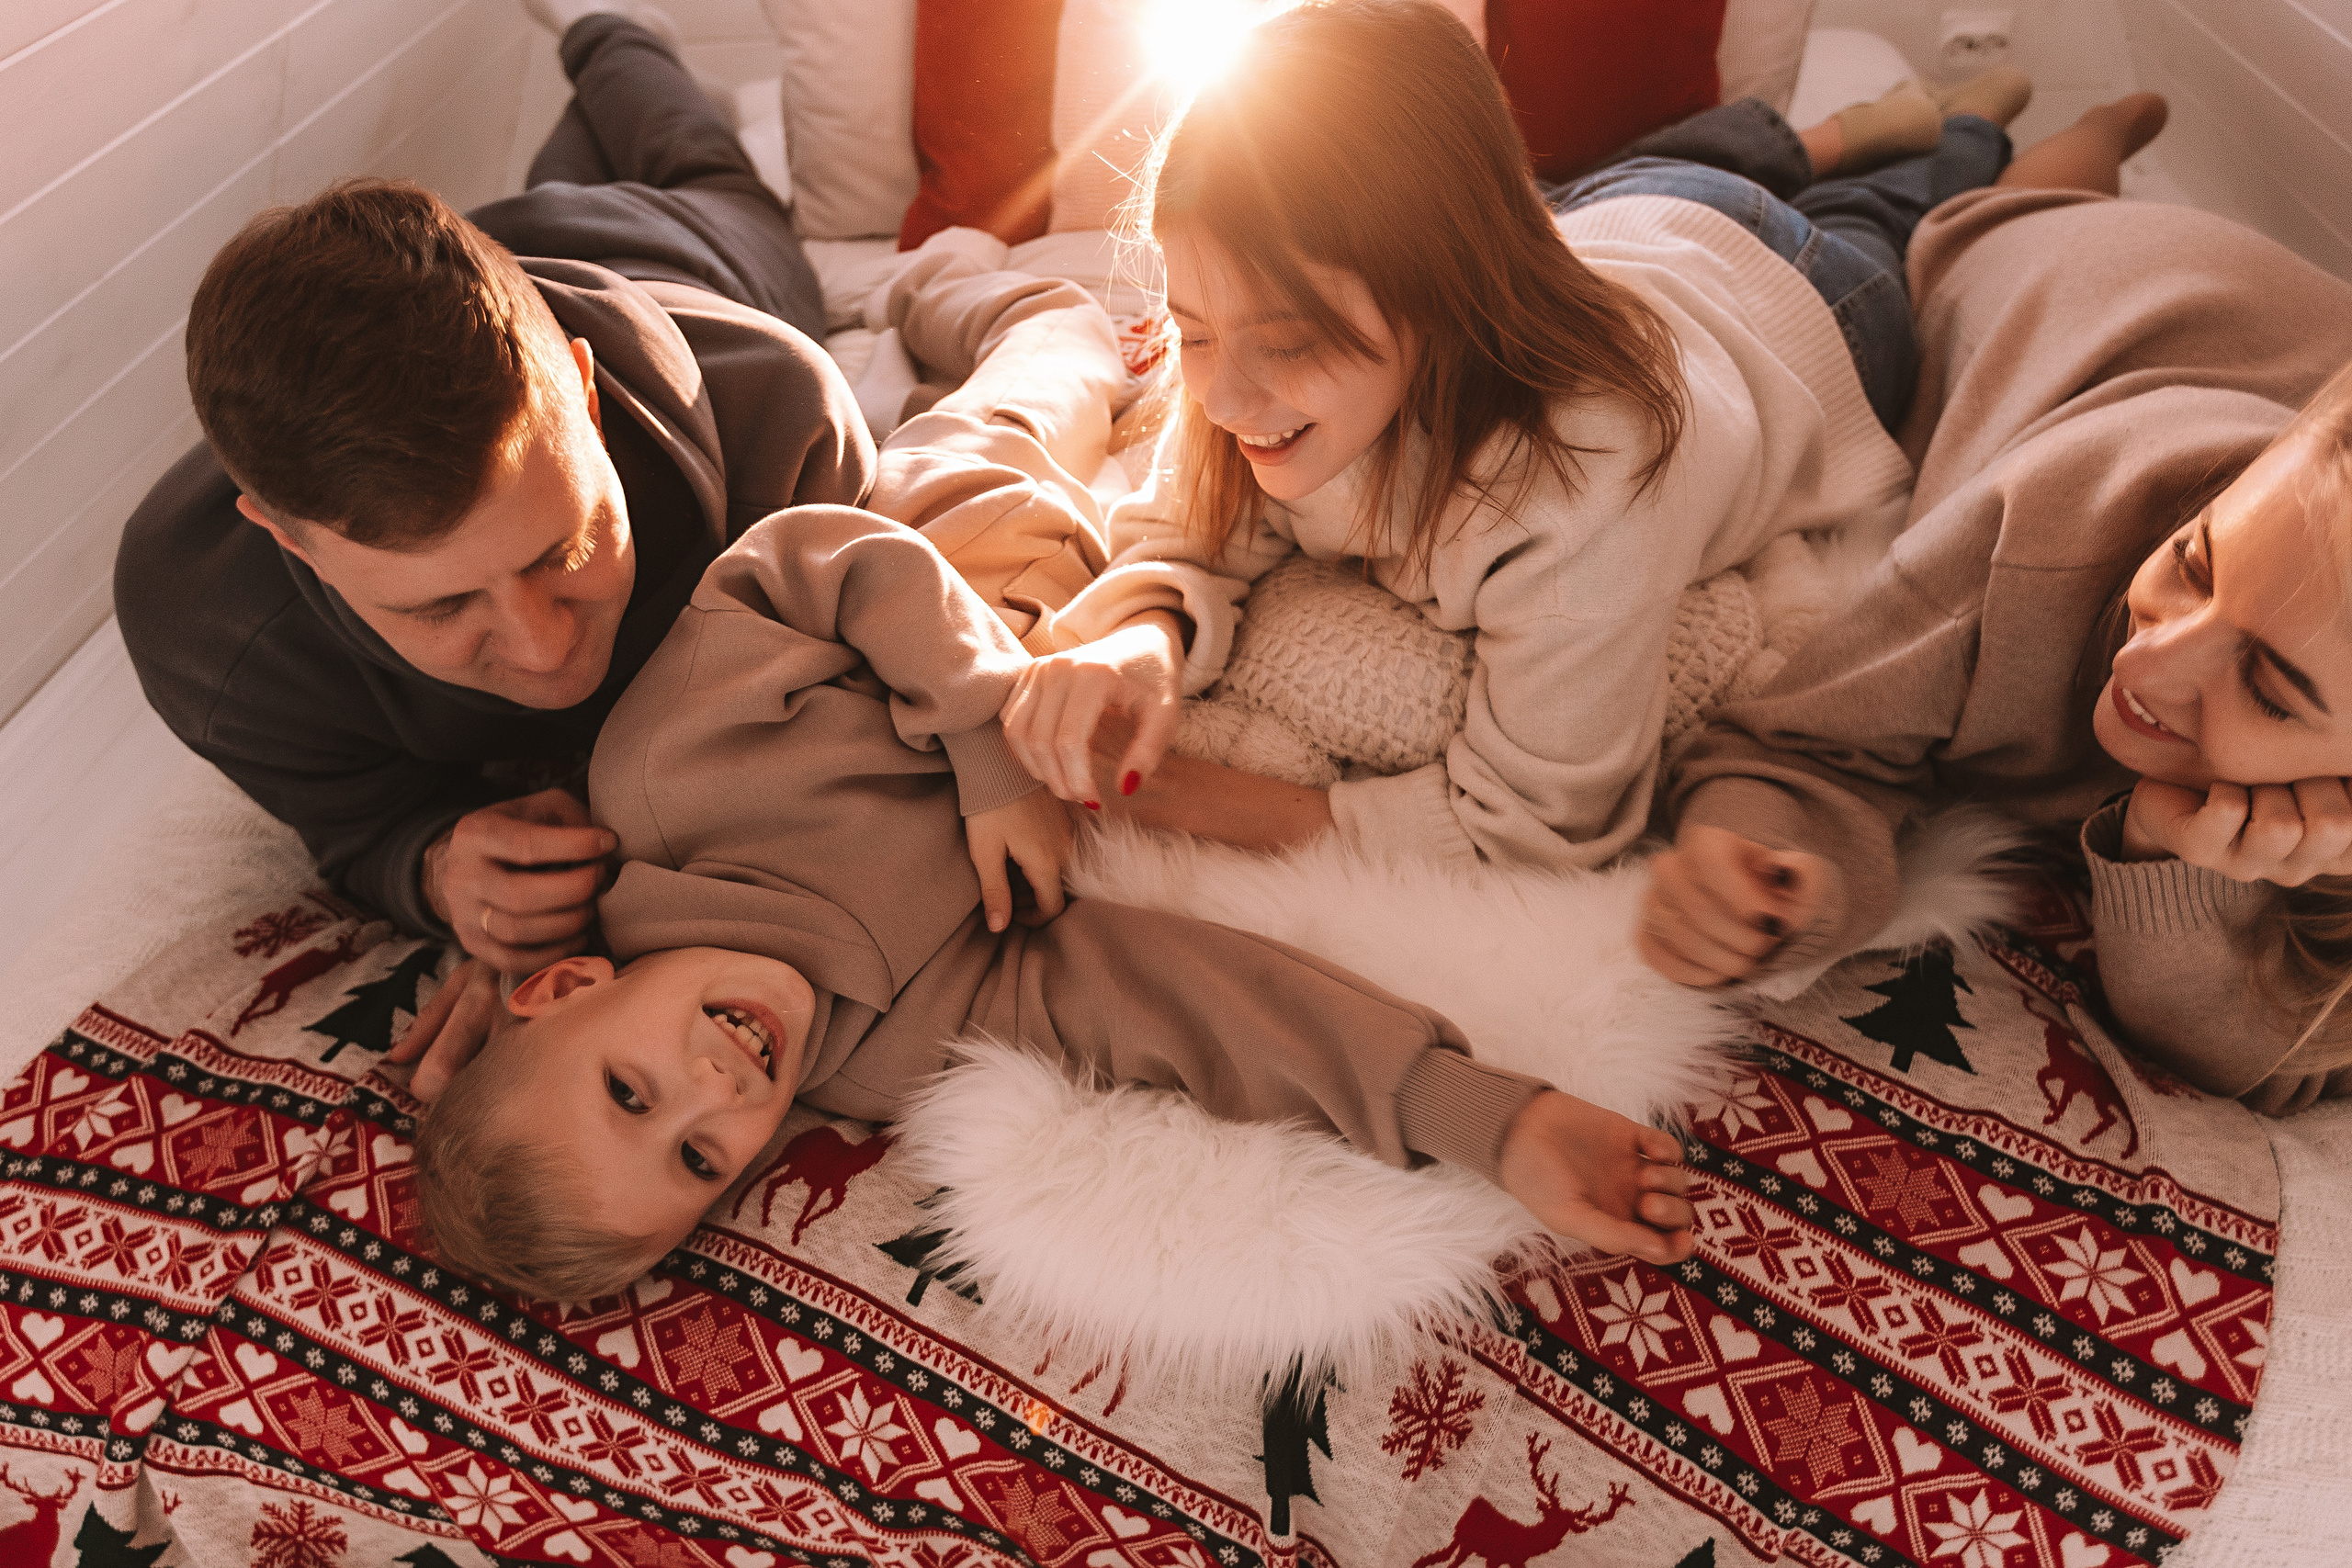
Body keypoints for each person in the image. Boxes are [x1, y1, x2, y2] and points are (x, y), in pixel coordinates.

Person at [395, 499, 1696, 1302]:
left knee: (1044, 357)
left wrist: (983, 756)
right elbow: (1178, 1000)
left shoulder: (667, 773)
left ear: (569, 984)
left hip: (969, 523)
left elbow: (807, 557)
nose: (714, 1089)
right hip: (1101, 608)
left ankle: (957, 277)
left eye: (631, 1086)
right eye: (696, 1155)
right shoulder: (894, 1052)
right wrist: (1482, 1115)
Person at [995, 1, 2124, 876]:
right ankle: (1833, 132)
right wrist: (1133, 642)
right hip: (1611, 216)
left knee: (1943, 217)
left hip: (1792, 302)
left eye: (1284, 345)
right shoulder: (1272, 328)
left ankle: (1998, 132)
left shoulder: (1579, 477)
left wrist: (1184, 798)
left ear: (1445, 300)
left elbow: (1535, 824)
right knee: (1653, 167)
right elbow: (1180, 529)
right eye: (1190, 332)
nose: (1227, 399)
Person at [114, 6, 864, 988]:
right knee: (559, 168)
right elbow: (356, 820)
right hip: (503, 268)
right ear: (291, 546)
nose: (548, 650)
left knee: (706, 165)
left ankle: (610, 26)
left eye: (565, 548)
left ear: (589, 405)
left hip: (662, 254)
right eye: (443, 604)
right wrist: (429, 862)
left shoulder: (783, 412)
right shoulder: (200, 630)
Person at [1635, 177, 2352, 1116]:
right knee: (1974, 197)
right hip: (2049, 263)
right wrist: (1772, 879)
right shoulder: (2048, 528)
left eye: (2267, 689)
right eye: (2191, 563)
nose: (2148, 663)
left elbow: (2273, 1071)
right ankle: (2062, 159)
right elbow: (1798, 745)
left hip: (2254, 319)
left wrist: (2173, 859)